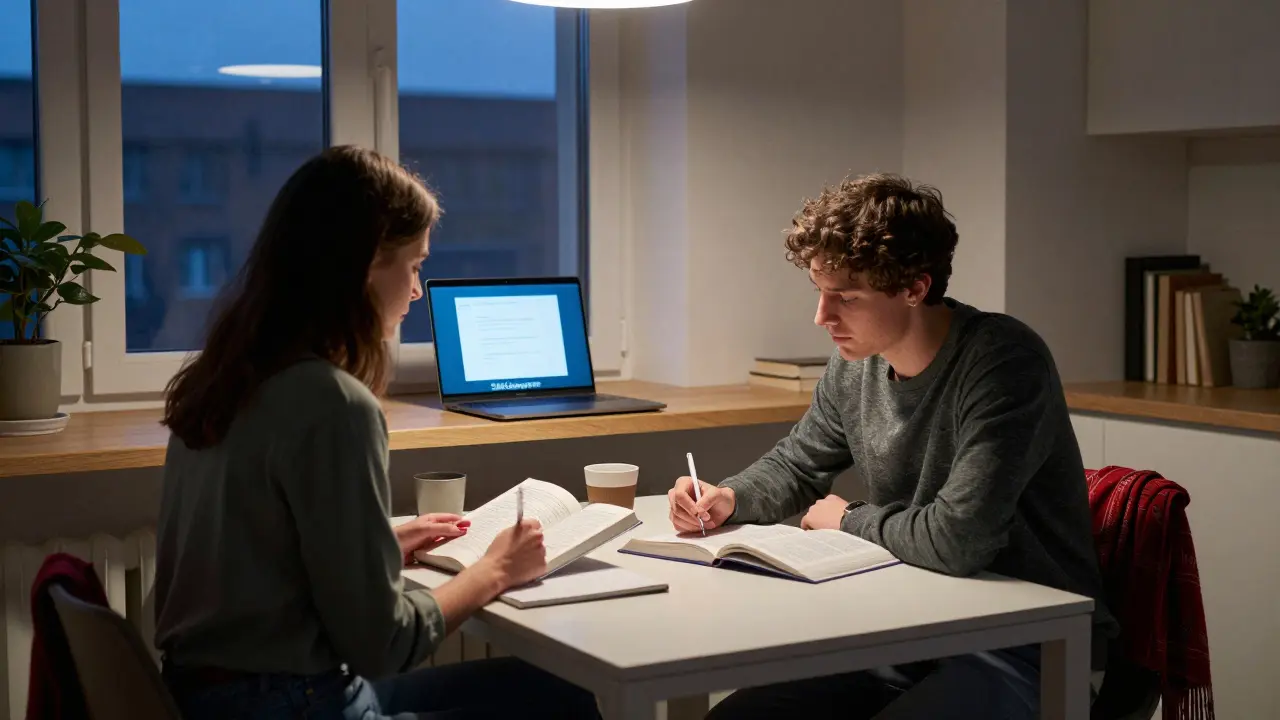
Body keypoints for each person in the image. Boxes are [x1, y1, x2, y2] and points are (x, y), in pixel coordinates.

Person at [154, 145, 601, 720]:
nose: (417, 291)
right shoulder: (333, 404)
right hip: (294, 704)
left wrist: (379, 544)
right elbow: (382, 644)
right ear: (367, 264)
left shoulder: (218, 381)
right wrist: (496, 571)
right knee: (562, 704)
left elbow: (261, 566)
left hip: (208, 696)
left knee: (552, 690)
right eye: (414, 266)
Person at [667, 174, 1116, 719]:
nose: (822, 316)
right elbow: (799, 463)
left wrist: (849, 519)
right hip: (908, 632)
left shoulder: (1004, 362)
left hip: (1028, 646)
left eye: (847, 298)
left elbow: (959, 540)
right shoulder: (855, 364)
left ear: (915, 288)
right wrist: (728, 497)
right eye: (819, 292)